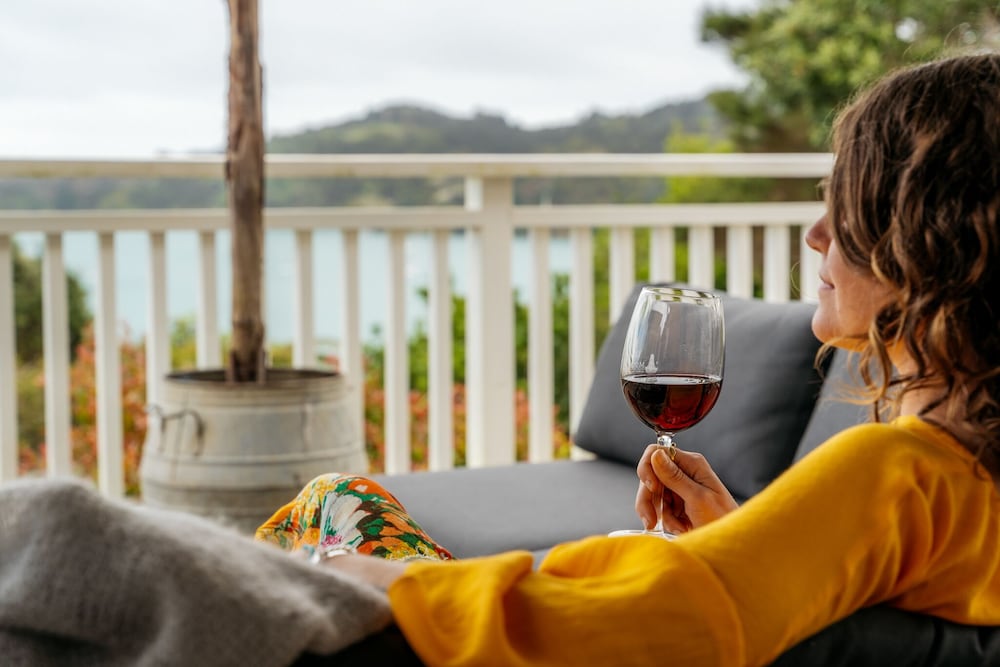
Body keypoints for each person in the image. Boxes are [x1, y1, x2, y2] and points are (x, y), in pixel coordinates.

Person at [257, 52, 1000, 666]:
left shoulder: (895, 469)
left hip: (479, 632)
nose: (815, 233)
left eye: (849, 201)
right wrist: (738, 532)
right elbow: (799, 596)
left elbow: (659, 621)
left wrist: (378, 580)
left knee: (330, 506)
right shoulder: (967, 476)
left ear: (926, 237)